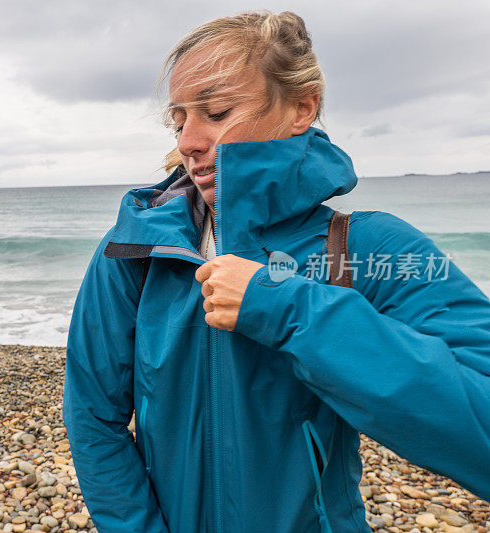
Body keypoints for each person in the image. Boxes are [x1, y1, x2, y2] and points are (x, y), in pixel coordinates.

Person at [62, 9, 490, 533]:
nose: (189, 141)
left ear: (301, 108)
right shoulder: (136, 247)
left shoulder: (368, 246)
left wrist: (287, 308)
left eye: (216, 112)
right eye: (178, 120)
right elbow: (93, 419)